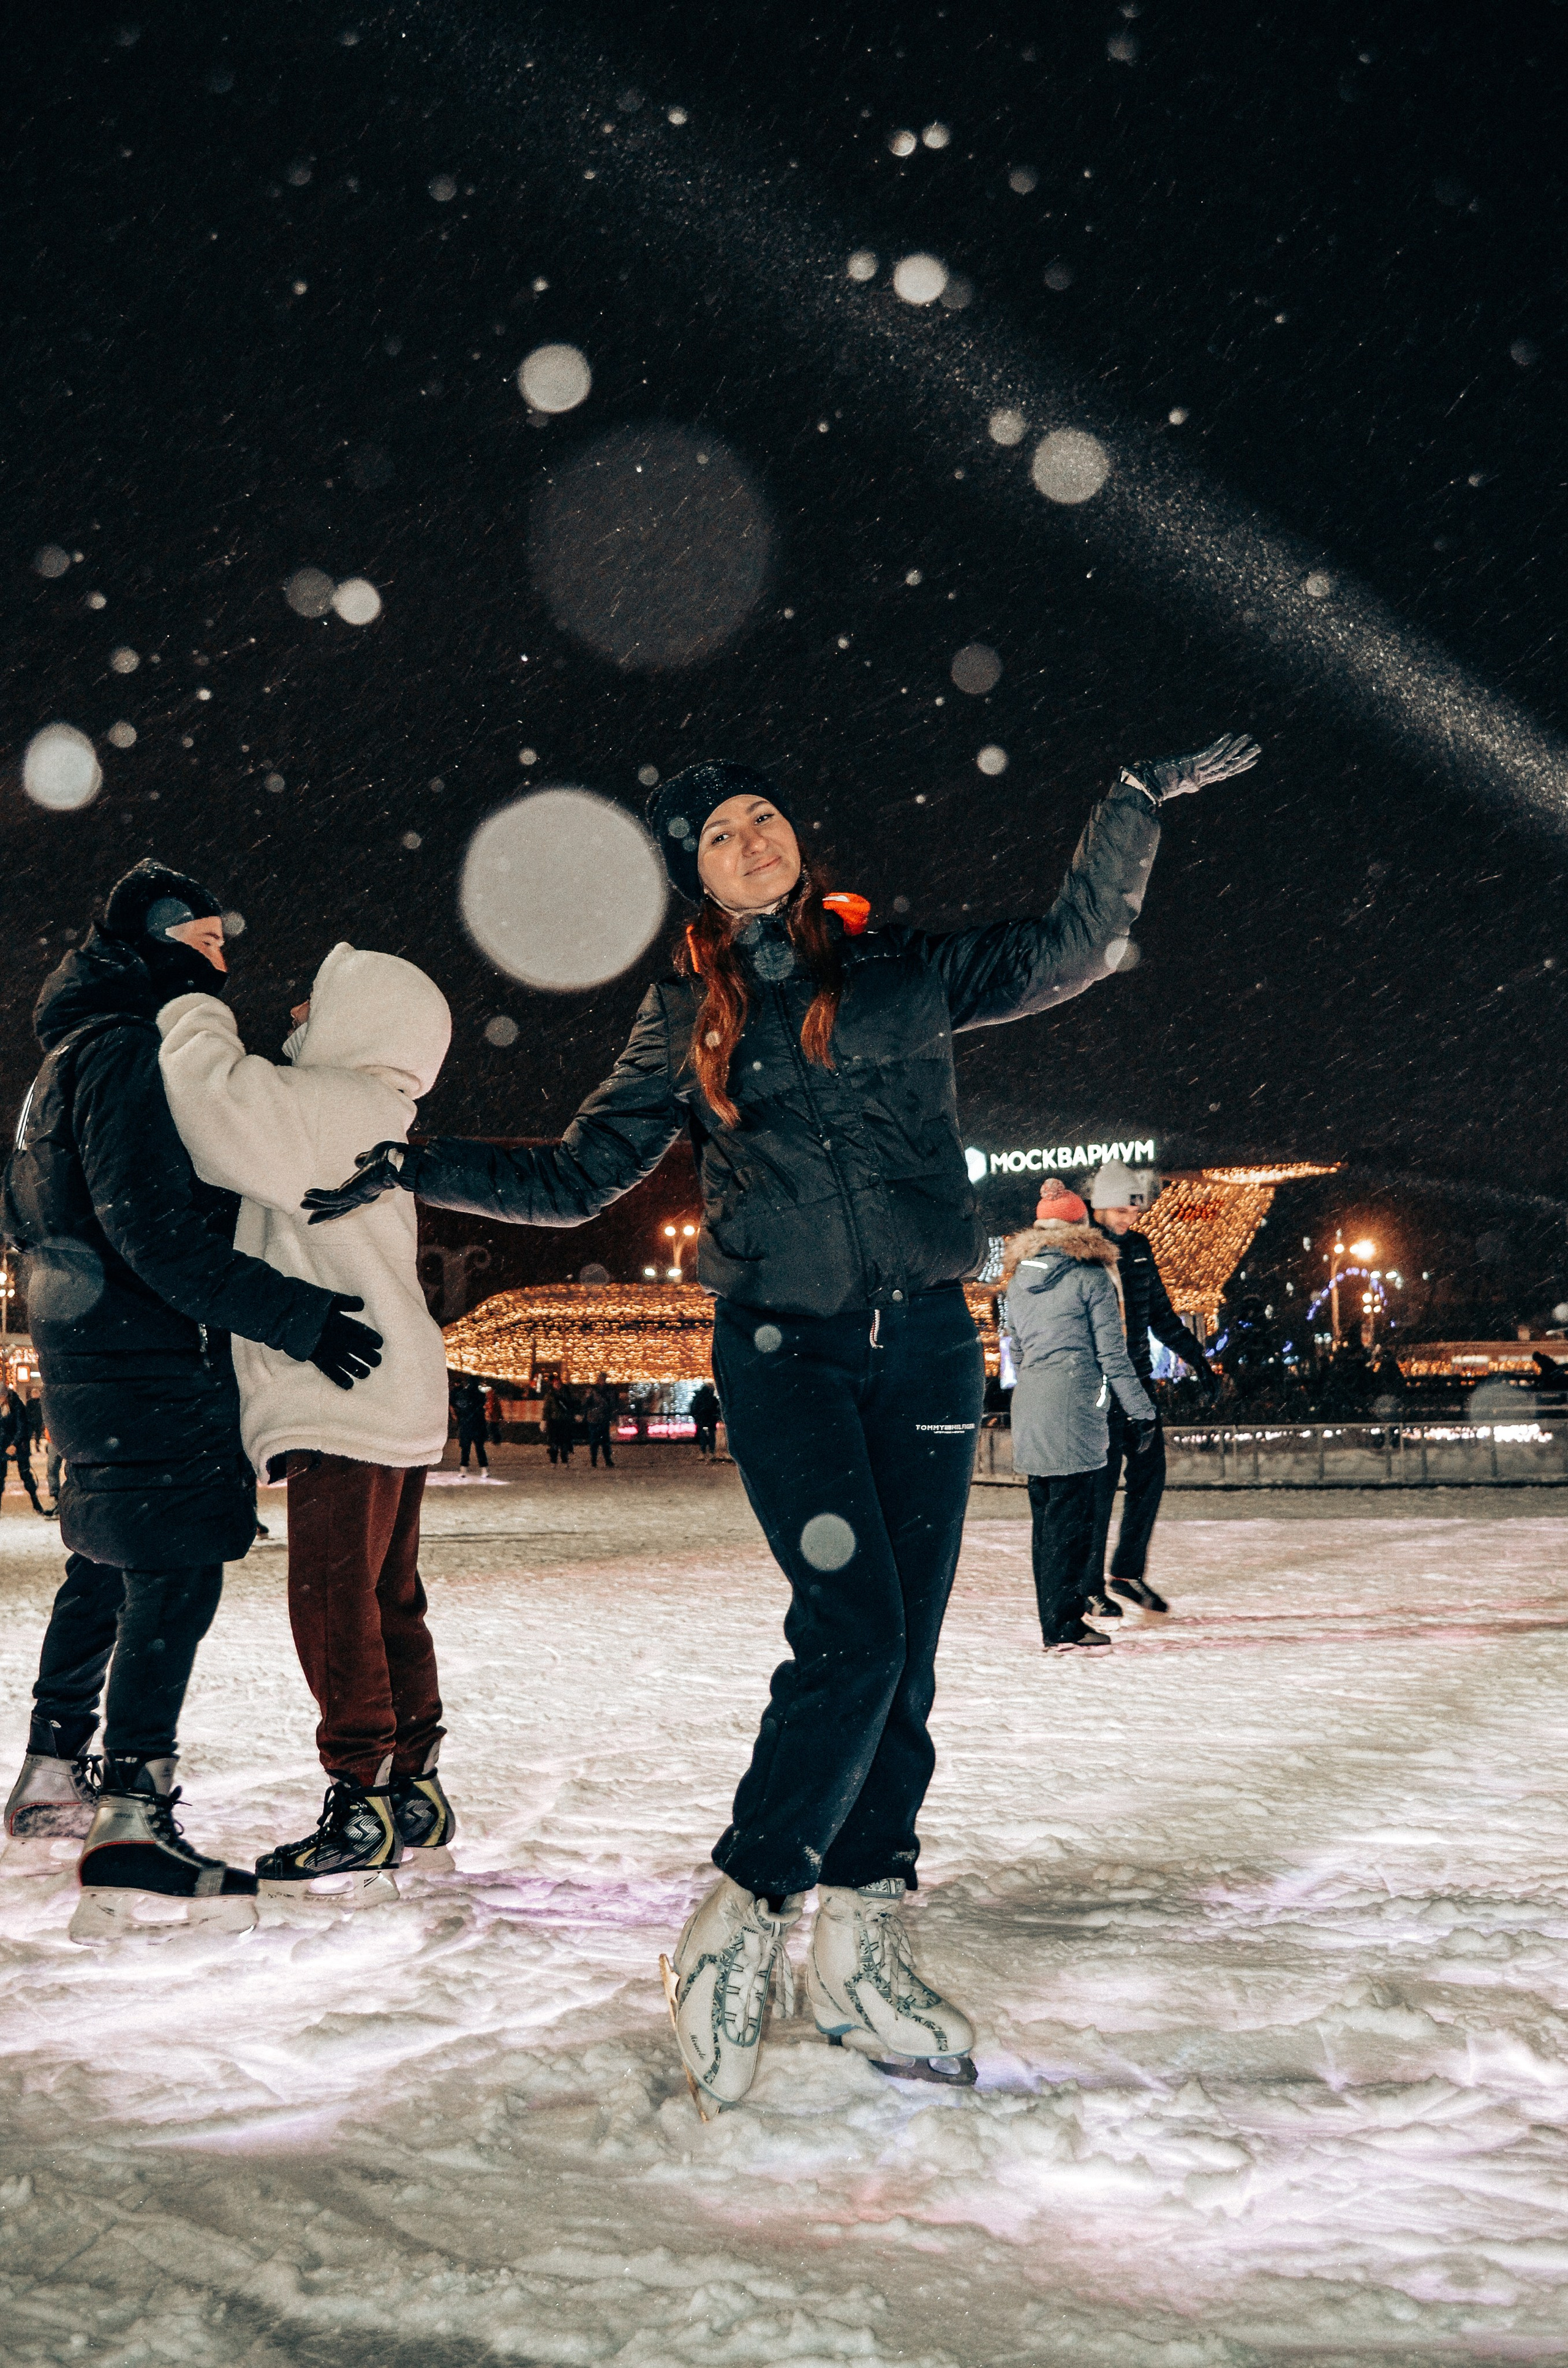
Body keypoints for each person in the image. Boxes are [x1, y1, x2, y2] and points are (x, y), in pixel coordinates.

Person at [303, 730, 1259, 2112]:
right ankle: (742, 1913)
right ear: (694, 878)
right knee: (853, 1633)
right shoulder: (683, 1017)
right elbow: (581, 1176)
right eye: (721, 835)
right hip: (782, 1352)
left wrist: (1125, 805)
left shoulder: (897, 967)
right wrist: (416, 1165)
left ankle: (864, 1936)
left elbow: (1068, 943)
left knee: (904, 1659)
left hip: (926, 1346)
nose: (756, 839)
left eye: (764, 815)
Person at [1, 861, 376, 1937]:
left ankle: (52, 1771)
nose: (225, 960)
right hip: (145, 1356)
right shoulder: (125, 1051)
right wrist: (293, 1312)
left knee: (106, 1557)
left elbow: (54, 1226)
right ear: (165, 940)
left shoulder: (58, 1062)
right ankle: (132, 1813)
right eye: (208, 941)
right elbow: (150, 1231)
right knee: (173, 1570)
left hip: (86, 1356)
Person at [157, 940, 459, 1905]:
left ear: (362, 1024)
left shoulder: (337, 1105)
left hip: (349, 1395)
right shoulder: (381, 1112)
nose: (294, 1016)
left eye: (314, 1004)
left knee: (333, 1605)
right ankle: (414, 1784)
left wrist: (190, 1007)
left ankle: (359, 1799)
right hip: (391, 1389)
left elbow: (215, 1105)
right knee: (385, 1598)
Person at [1002, 1184, 1158, 1652]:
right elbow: (1113, 1354)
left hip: (1031, 1404)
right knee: (1071, 1525)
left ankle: (1054, 1618)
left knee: (1046, 1520)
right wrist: (1142, 1410)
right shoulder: (1092, 1278)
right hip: (1075, 1406)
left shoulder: (1017, 1280)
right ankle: (1064, 1625)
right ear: (1078, 1227)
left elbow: (1016, 1348)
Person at [1086, 1159, 1218, 1619]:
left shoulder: (1139, 1249)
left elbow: (1161, 1315)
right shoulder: (1082, 1250)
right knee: (1098, 1487)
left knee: (1149, 1477)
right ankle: (1088, 1584)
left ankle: (1125, 1572)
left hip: (1138, 1386)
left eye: (1135, 1212)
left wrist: (1200, 1361)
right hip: (1098, 1387)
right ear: (1102, 1206)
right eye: (1122, 1210)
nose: (1129, 1219)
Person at [1, 1383, 48, 1516]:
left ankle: (37, 1505)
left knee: (26, 1475)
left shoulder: (16, 1405)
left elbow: (22, 1426)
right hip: (3, 1445)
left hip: (19, 1444)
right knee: (0, 1476)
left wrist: (14, 1444)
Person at [451, 1374, 489, 1472]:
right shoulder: (481, 1395)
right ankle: (484, 1469)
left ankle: (463, 1469)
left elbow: (458, 1404)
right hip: (478, 1425)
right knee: (480, 1448)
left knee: (466, 1449)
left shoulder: (464, 1394)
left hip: (467, 1424)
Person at [582, 1373, 617, 1467]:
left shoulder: (609, 1390)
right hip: (595, 1418)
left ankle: (607, 1460)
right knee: (595, 1441)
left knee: (605, 1441)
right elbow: (585, 1404)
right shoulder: (594, 1390)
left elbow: (613, 1403)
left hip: (603, 1418)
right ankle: (594, 1460)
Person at [543, 1380, 576, 1464]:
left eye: (559, 1384)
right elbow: (546, 1409)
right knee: (554, 1442)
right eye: (556, 1384)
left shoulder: (566, 1394)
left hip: (564, 1421)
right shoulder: (550, 1395)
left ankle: (564, 1460)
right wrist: (544, 1419)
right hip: (554, 1421)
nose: (558, 1386)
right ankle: (554, 1461)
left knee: (564, 1442)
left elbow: (571, 1406)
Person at [689, 1379, 721, 1462]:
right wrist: (717, 1418)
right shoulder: (713, 1400)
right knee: (711, 1436)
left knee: (703, 1436)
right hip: (711, 1420)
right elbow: (718, 1410)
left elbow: (693, 1409)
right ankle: (711, 1453)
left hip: (702, 1420)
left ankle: (703, 1452)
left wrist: (696, 1418)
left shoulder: (698, 1398)